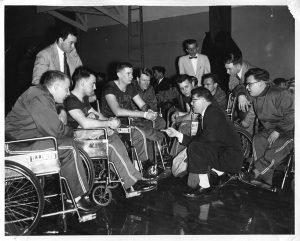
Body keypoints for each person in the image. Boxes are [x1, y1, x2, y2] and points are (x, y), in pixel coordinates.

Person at [5, 70, 96, 212]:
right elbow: (55, 130)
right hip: (17, 144)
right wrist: (74, 133)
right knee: (69, 146)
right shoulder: (38, 96)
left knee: (67, 144)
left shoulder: (41, 94)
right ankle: (76, 199)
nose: (68, 93)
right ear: (55, 87)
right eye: (66, 89)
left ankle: (72, 193)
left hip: (25, 139)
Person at [64, 67, 155, 194]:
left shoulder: (82, 99)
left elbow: (96, 114)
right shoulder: (70, 100)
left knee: (119, 135)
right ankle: (131, 182)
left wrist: (110, 121)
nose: (95, 87)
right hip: (78, 139)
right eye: (92, 83)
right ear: (82, 82)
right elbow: (84, 122)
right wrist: (108, 123)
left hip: (89, 135)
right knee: (111, 145)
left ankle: (135, 176)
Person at [163, 87, 243, 198]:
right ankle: (222, 174)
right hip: (226, 153)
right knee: (196, 146)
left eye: (194, 100)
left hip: (230, 158)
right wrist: (177, 134)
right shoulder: (210, 111)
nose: (191, 103)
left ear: (204, 100)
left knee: (195, 148)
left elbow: (203, 141)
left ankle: (205, 187)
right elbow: (203, 138)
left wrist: (180, 136)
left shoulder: (212, 113)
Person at [101, 62, 166, 172]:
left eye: (131, 73)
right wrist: (144, 114)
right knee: (147, 132)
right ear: (119, 74)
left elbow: (142, 105)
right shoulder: (110, 88)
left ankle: (152, 158)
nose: (131, 76)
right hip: (113, 124)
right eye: (128, 73)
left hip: (129, 121)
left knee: (159, 123)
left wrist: (149, 111)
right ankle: (145, 164)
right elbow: (117, 111)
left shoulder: (130, 87)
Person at [240, 68, 294, 186]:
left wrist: (278, 131)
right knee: (258, 139)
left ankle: (256, 172)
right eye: (246, 84)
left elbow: (293, 114)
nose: (247, 87)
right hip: (272, 130)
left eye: (249, 84)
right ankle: (264, 179)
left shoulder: (280, 94)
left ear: (261, 83)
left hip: (290, 130)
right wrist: (240, 96)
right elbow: (238, 89)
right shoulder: (256, 96)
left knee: (277, 145)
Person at [224, 52, 256, 134]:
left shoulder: (252, 75)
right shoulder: (235, 71)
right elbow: (232, 86)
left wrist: (247, 121)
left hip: (259, 107)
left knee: (247, 130)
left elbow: (257, 102)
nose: (227, 72)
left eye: (229, 69)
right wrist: (240, 94)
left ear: (238, 66)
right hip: (248, 105)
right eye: (226, 69)